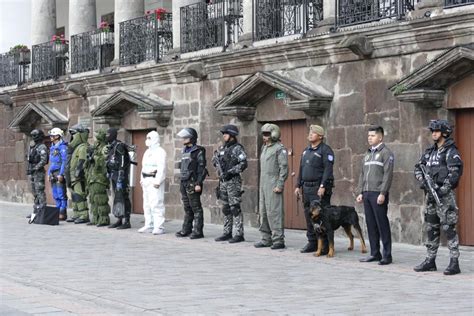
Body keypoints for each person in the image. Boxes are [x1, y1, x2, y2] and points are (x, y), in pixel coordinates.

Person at [413, 120, 463, 275]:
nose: (433, 133)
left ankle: (454, 262)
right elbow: (418, 168)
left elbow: (455, 173)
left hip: (444, 197)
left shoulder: (451, 151)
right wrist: (423, 181)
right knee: (431, 228)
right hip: (430, 197)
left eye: (436, 131)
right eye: (432, 131)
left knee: (449, 228)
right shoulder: (430, 152)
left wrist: (443, 189)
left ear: (444, 132)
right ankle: (430, 260)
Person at [356, 126, 394, 265]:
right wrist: (360, 192)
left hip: (378, 194)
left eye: (372, 135)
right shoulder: (366, 154)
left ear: (380, 137)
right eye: (368, 136)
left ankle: (387, 255)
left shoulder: (386, 153)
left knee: (382, 224)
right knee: (371, 224)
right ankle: (374, 253)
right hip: (367, 193)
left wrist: (383, 192)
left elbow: (388, 175)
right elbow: (361, 174)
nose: (369, 138)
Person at [294, 125, 334, 254]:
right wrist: (297, 185)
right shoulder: (306, 151)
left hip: (318, 188)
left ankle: (325, 245)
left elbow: (328, 170)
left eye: (314, 133)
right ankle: (312, 242)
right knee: (308, 215)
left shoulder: (325, 150)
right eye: (310, 132)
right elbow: (301, 169)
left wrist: (323, 186)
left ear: (320, 136)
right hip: (307, 188)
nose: (310, 134)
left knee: (323, 217)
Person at [254, 123, 288, 250]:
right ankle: (265, 238)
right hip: (263, 183)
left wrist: (280, 184)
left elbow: (283, 168)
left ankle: (278, 239)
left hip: (273, 183)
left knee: (274, 212)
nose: (264, 136)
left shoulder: (279, 148)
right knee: (263, 212)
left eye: (267, 134)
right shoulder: (265, 148)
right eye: (263, 134)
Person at [213, 124, 248, 243]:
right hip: (223, 181)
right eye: (223, 134)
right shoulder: (222, 149)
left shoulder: (237, 148)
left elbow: (243, 164)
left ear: (232, 135)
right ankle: (227, 232)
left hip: (233, 181)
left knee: (235, 208)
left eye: (226, 134)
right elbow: (216, 162)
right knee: (226, 208)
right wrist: (216, 162)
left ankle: (239, 234)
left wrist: (231, 172)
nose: (224, 136)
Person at [175, 127, 208, 239]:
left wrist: (199, 183)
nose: (183, 139)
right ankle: (186, 229)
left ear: (192, 138)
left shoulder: (199, 150)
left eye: (186, 137)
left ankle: (198, 231)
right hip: (184, 181)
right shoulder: (184, 150)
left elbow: (201, 168)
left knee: (196, 207)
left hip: (193, 182)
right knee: (187, 207)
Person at [138, 130, 167, 235]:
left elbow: (162, 168)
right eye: (147, 138)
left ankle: (159, 226)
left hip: (154, 180)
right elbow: (143, 167)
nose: (147, 140)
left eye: (149, 138)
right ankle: (149, 224)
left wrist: (158, 181)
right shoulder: (147, 152)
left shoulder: (160, 152)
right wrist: (142, 179)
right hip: (146, 180)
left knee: (156, 204)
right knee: (147, 204)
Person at [106, 127, 132, 230]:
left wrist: (121, 175)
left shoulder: (119, 146)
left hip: (121, 176)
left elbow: (122, 161)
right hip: (114, 175)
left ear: (113, 135)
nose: (107, 137)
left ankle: (127, 220)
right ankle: (119, 219)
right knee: (117, 198)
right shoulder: (111, 147)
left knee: (123, 197)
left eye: (108, 135)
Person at [85, 129, 110, 227]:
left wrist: (94, 157)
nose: (96, 137)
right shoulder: (96, 146)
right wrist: (89, 157)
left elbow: (104, 161)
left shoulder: (105, 147)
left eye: (97, 134)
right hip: (92, 176)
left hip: (100, 177)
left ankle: (103, 219)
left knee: (100, 199)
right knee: (93, 199)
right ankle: (95, 218)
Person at [67, 124, 90, 224]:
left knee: (80, 195)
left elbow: (82, 161)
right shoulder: (76, 147)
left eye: (74, 134)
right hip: (72, 176)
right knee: (74, 195)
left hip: (78, 177)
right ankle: (76, 213)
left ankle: (84, 215)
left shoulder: (83, 147)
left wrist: (78, 174)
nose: (72, 137)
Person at [47, 128, 68, 221]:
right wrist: (48, 173)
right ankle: (57, 211)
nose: (50, 137)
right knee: (55, 194)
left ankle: (62, 213)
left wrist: (61, 174)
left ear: (57, 136)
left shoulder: (62, 147)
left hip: (59, 172)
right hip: (53, 173)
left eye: (52, 135)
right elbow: (51, 163)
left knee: (61, 194)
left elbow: (64, 161)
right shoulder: (52, 147)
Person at [26, 129, 48, 218]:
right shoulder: (34, 147)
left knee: (40, 191)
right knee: (35, 192)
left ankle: (42, 211)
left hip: (38, 172)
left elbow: (44, 160)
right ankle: (35, 211)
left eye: (35, 135)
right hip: (33, 172)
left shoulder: (42, 147)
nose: (33, 138)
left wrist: (35, 168)